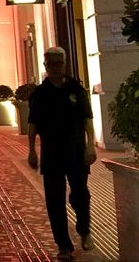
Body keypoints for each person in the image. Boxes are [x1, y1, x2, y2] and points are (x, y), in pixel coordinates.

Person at [28, 46, 96, 261]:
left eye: (59, 63)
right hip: (51, 153)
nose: (56, 67)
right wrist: (31, 150)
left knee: (80, 194)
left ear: (64, 64)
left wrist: (91, 146)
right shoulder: (39, 94)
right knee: (54, 201)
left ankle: (84, 229)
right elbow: (33, 123)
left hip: (76, 151)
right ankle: (64, 246)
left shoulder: (76, 90)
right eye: (51, 64)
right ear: (45, 65)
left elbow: (87, 119)